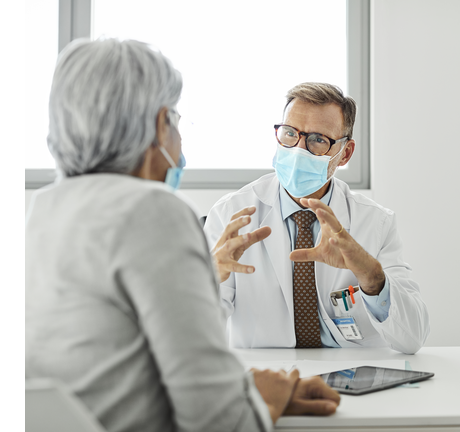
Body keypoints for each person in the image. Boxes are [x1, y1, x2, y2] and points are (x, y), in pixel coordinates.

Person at [25, 39, 340, 432]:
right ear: (160, 125)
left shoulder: (44, 208)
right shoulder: (154, 211)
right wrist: (262, 398)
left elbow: (110, 371)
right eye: (174, 118)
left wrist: (241, 385)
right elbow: (219, 421)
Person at [204, 82, 430, 354]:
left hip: (353, 377)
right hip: (267, 377)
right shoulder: (230, 214)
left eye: (318, 140)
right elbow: (193, 336)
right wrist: (208, 280)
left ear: (344, 153)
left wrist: (372, 278)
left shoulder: (375, 223)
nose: (298, 150)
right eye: (289, 134)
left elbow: (412, 338)